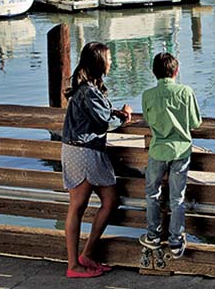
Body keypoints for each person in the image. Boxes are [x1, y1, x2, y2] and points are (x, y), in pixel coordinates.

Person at [61, 42, 132, 279]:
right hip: (84, 151)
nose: (111, 62)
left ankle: (87, 255)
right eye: (109, 59)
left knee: (109, 201)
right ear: (100, 62)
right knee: (78, 207)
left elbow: (99, 114)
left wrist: (114, 112)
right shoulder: (87, 90)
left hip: (80, 149)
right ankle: (74, 265)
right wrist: (123, 119)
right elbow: (103, 123)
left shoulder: (86, 88)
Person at [138, 52, 201, 259]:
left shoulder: (148, 95)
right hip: (181, 151)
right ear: (176, 71)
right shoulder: (186, 92)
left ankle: (153, 235)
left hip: (157, 150)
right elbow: (195, 123)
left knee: (152, 193)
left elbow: (148, 119)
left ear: (153, 73)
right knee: (177, 197)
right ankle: (176, 241)